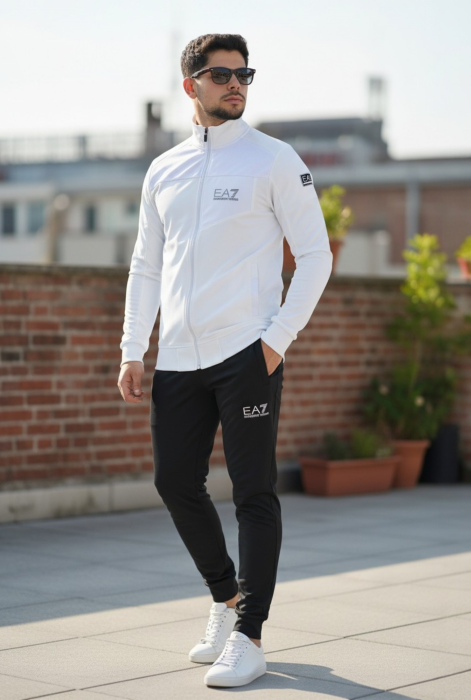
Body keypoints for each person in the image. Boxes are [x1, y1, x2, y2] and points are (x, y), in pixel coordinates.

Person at [118, 33, 332, 688]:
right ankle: (226, 597)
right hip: (179, 358)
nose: (235, 84)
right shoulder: (165, 170)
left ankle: (250, 635)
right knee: (175, 483)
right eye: (220, 74)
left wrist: (276, 341)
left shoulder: (273, 159)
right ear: (191, 86)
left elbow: (316, 256)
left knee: (252, 492)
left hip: (247, 352)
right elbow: (147, 265)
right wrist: (133, 347)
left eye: (244, 74)